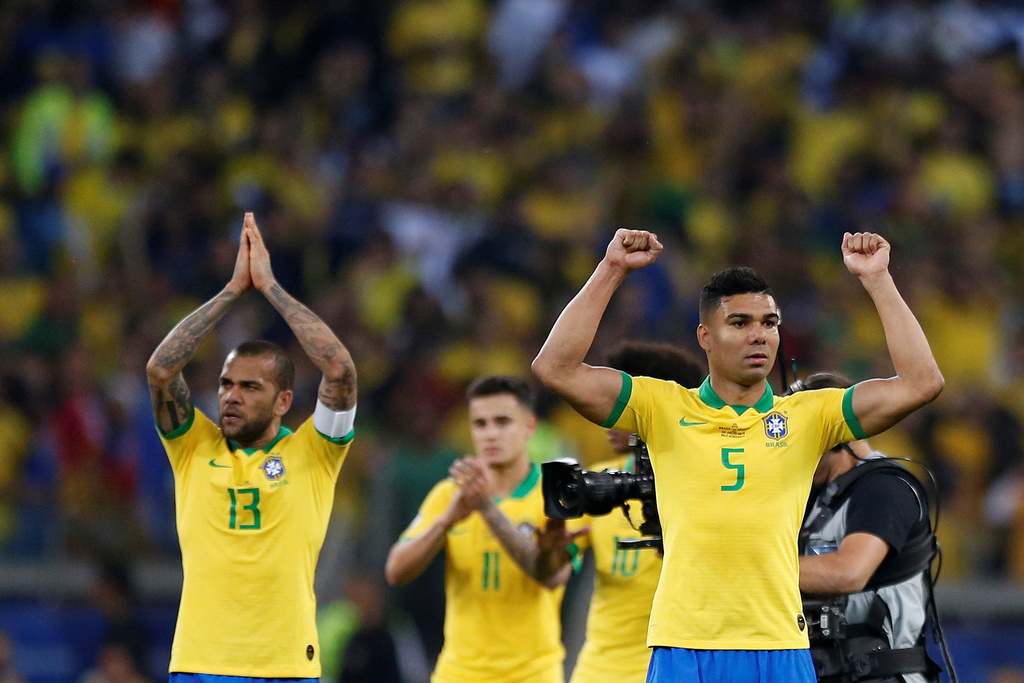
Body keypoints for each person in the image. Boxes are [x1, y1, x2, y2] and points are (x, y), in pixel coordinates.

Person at [531, 229, 944, 683]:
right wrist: (610, 270)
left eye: (769, 323)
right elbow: (555, 368)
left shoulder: (810, 415)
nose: (760, 336)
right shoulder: (662, 407)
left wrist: (878, 279)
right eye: (741, 323)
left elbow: (921, 382)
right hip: (685, 646)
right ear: (705, 336)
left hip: (779, 645)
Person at [146, 212, 358, 681]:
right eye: (225, 384)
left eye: (249, 387)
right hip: (202, 664)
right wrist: (232, 291)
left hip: (284, 664)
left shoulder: (315, 451)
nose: (231, 396)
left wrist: (270, 289)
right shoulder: (192, 445)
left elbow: (340, 371)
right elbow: (161, 370)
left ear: (284, 399)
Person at [385, 374, 584, 683]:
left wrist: (487, 509)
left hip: (532, 674)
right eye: (480, 424)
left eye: (502, 422)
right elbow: (396, 571)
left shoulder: (555, 496)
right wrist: (446, 521)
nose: (490, 434)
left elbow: (551, 577)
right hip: (458, 672)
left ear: (530, 426)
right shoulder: (449, 494)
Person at [568, 341, 706, 683]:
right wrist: (549, 548)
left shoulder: (708, 483)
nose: (607, 417)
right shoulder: (601, 482)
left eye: (621, 406)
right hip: (598, 673)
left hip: (678, 668)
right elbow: (548, 572)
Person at [799, 371, 942, 683]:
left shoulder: (883, 488)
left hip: (883, 673)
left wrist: (751, 571)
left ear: (835, 436)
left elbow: (848, 572)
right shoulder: (815, 497)